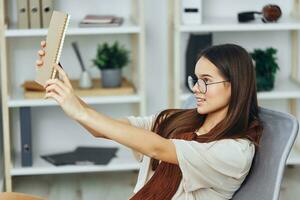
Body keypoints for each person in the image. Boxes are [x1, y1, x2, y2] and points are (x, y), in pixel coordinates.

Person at [36, 41, 263, 200]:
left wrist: (79, 110)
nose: (195, 88)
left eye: (206, 80)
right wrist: (67, 93)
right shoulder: (178, 120)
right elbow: (104, 130)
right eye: (195, 79)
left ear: (235, 85)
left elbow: (158, 148)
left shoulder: (235, 152)